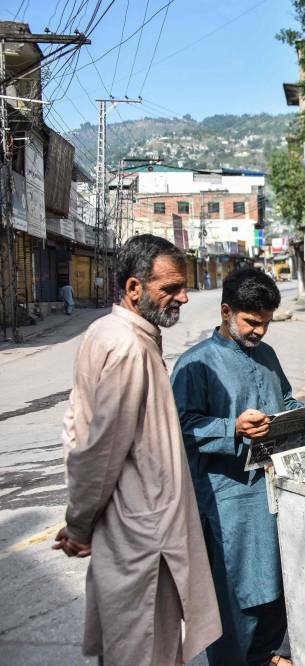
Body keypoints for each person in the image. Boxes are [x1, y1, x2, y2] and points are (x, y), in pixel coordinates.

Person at [53, 234, 221, 666]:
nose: (183, 296)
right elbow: (98, 450)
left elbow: (77, 428)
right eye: (170, 288)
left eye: (182, 286)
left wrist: (82, 520)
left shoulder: (109, 332)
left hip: (133, 529)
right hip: (142, 538)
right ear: (133, 289)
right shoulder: (128, 347)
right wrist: (79, 525)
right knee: (144, 650)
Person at [171, 267, 305, 666]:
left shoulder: (267, 355)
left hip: (274, 489)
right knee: (236, 593)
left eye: (266, 323)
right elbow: (180, 428)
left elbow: (285, 400)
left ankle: (272, 653)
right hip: (228, 500)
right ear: (226, 311)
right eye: (252, 322)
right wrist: (232, 428)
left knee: (279, 580)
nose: (260, 331)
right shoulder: (195, 364)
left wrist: (304, 417)